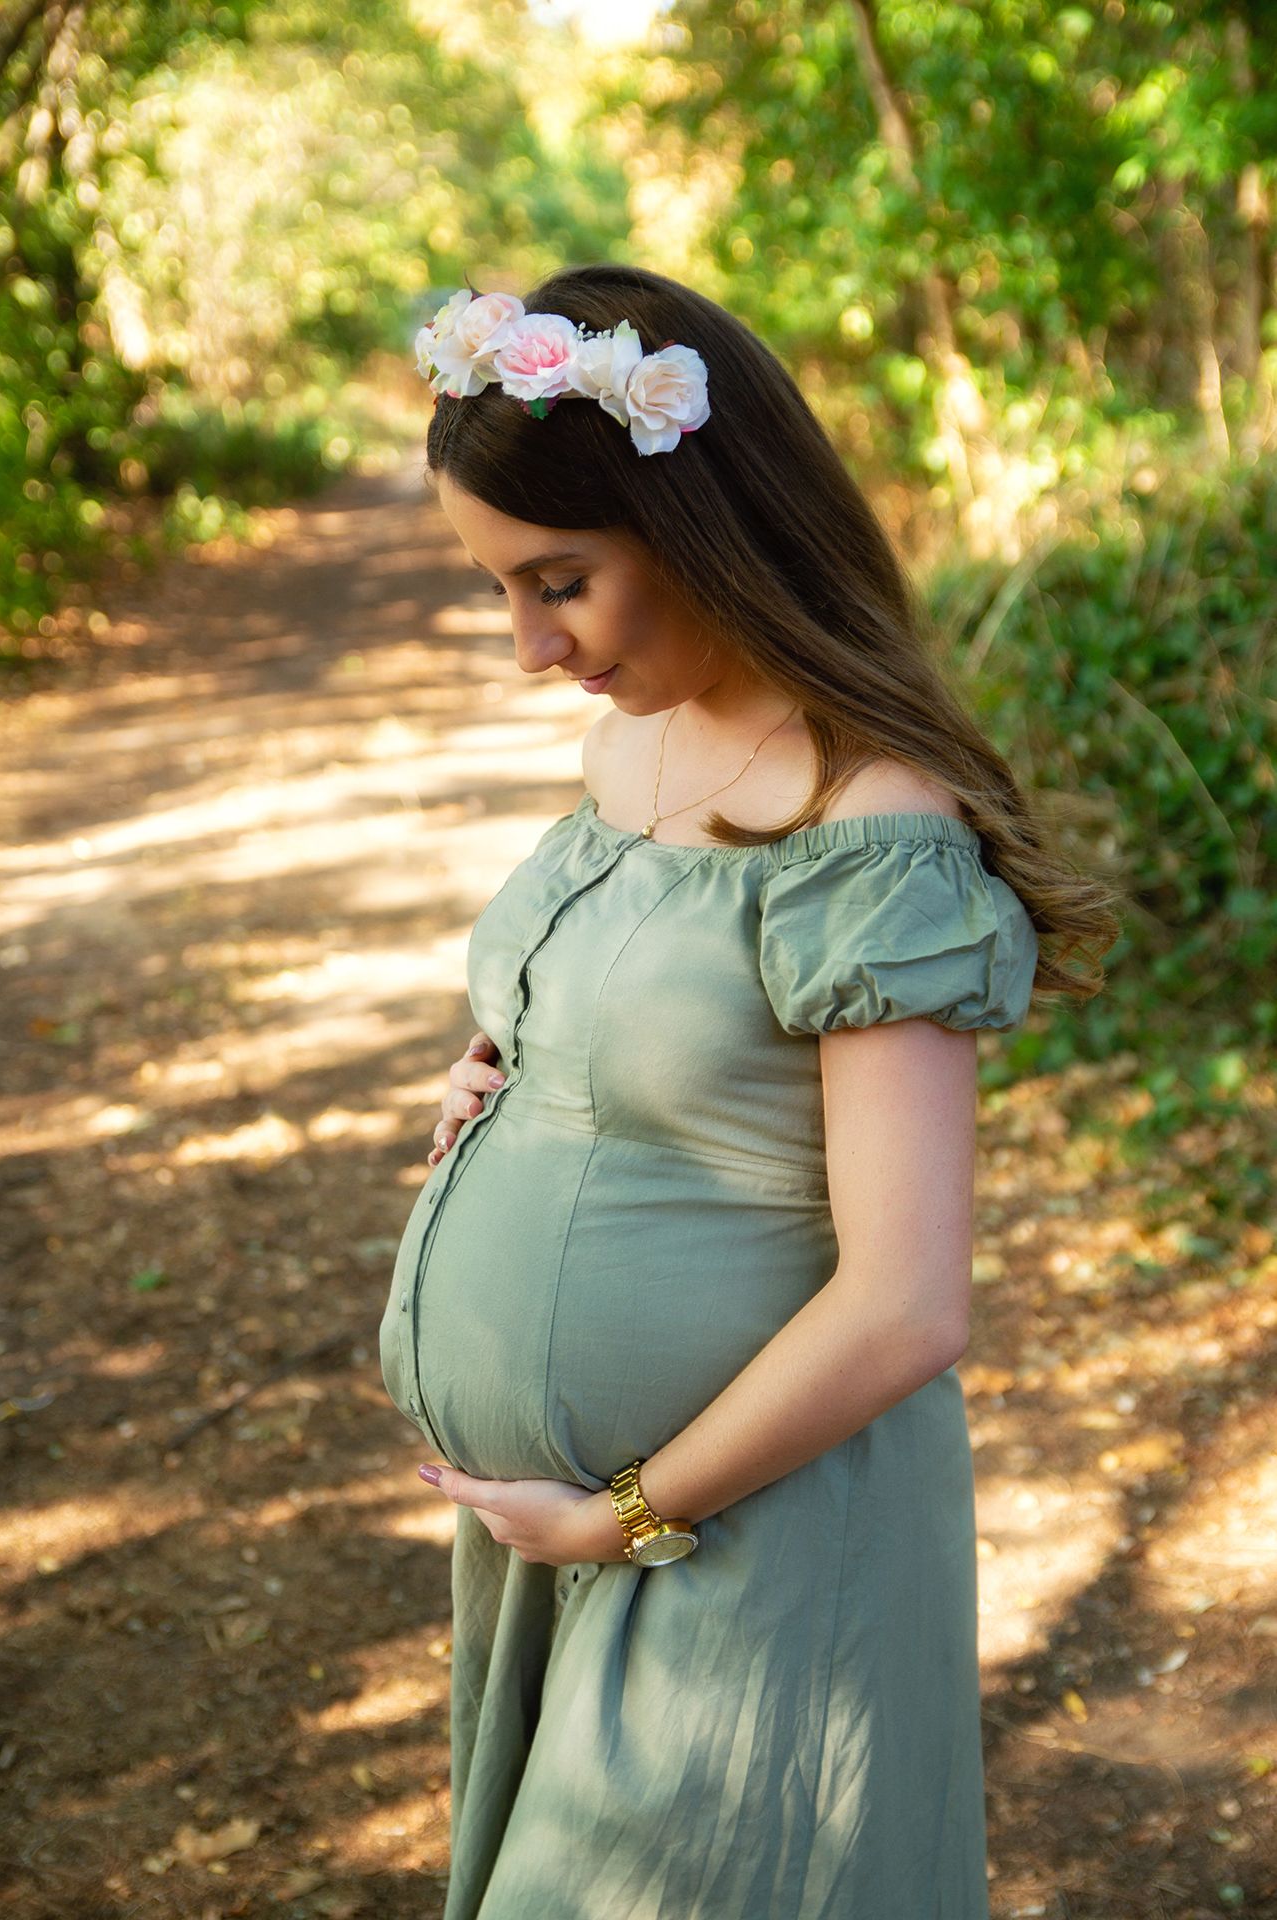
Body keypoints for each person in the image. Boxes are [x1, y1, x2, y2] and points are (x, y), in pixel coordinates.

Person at [378, 262, 1120, 1920]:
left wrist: (627, 1515)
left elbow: (909, 1305)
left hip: (739, 1539)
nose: (527, 647)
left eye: (558, 582)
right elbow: (653, 1029)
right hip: (562, 1539)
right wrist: (514, 1072)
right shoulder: (626, 753)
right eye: (499, 588)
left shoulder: (871, 829)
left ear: (698, 518)